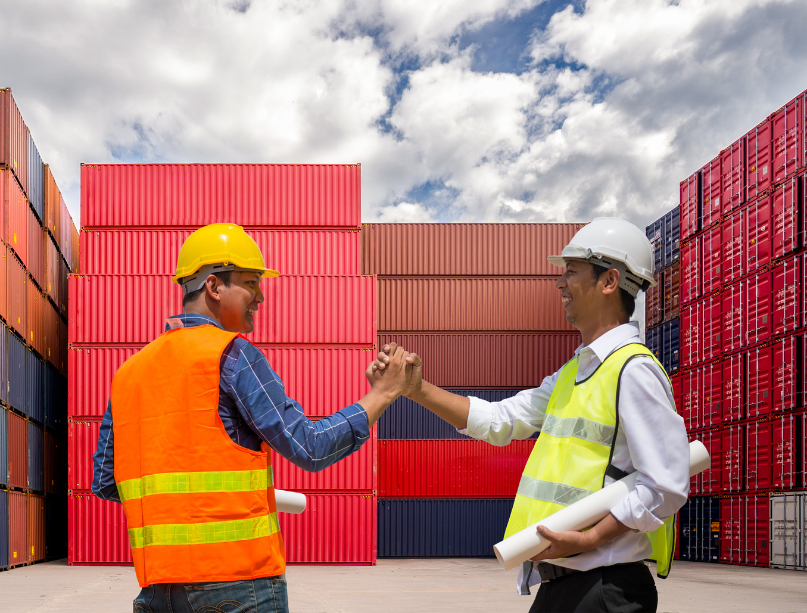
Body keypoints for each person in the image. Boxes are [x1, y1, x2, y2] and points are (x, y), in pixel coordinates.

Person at [92, 223, 420, 613]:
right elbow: (309, 446)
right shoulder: (232, 353)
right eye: (251, 283)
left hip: (157, 590)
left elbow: (108, 482)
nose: (260, 297)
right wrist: (381, 394)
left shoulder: (128, 373)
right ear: (214, 287)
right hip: (236, 587)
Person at [375, 217, 688, 613]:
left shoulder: (634, 370)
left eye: (571, 272)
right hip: (565, 586)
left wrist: (591, 539)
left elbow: (667, 484)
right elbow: (498, 419)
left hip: (605, 588)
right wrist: (415, 389)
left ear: (609, 281)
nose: (560, 284)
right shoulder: (572, 374)